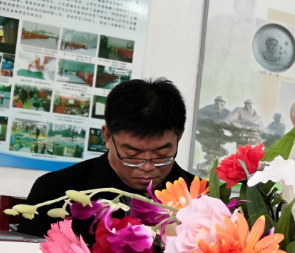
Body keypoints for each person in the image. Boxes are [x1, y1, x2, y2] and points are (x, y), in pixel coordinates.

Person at [16, 78, 196, 238]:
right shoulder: (55, 190)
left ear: (179, 137)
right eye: (132, 155)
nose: (147, 167)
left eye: (161, 155)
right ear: (107, 136)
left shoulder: (203, 199)